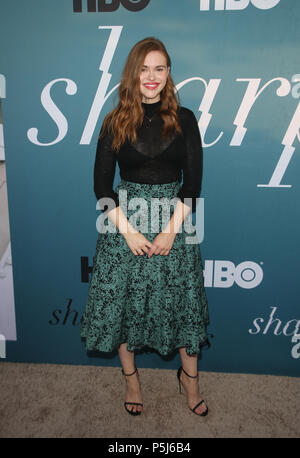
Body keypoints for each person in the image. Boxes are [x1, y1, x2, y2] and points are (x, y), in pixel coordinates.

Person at [80, 37, 210, 417]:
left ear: (168, 74)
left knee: (183, 305)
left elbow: (192, 184)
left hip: (175, 223)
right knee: (124, 307)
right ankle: (132, 379)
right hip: (125, 225)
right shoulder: (115, 120)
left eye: (160, 68)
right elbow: (102, 188)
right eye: (144, 68)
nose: (151, 77)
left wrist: (170, 230)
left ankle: (191, 381)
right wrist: (129, 232)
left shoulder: (184, 119)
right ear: (132, 73)